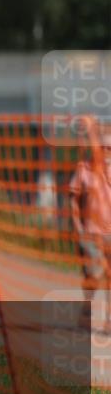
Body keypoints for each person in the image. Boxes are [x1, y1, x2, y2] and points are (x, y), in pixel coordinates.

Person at [70, 131, 111, 329]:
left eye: (110, 148)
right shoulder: (83, 169)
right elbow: (73, 201)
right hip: (90, 233)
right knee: (92, 277)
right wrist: (78, 227)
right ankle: (86, 314)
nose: (106, 152)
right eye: (103, 147)